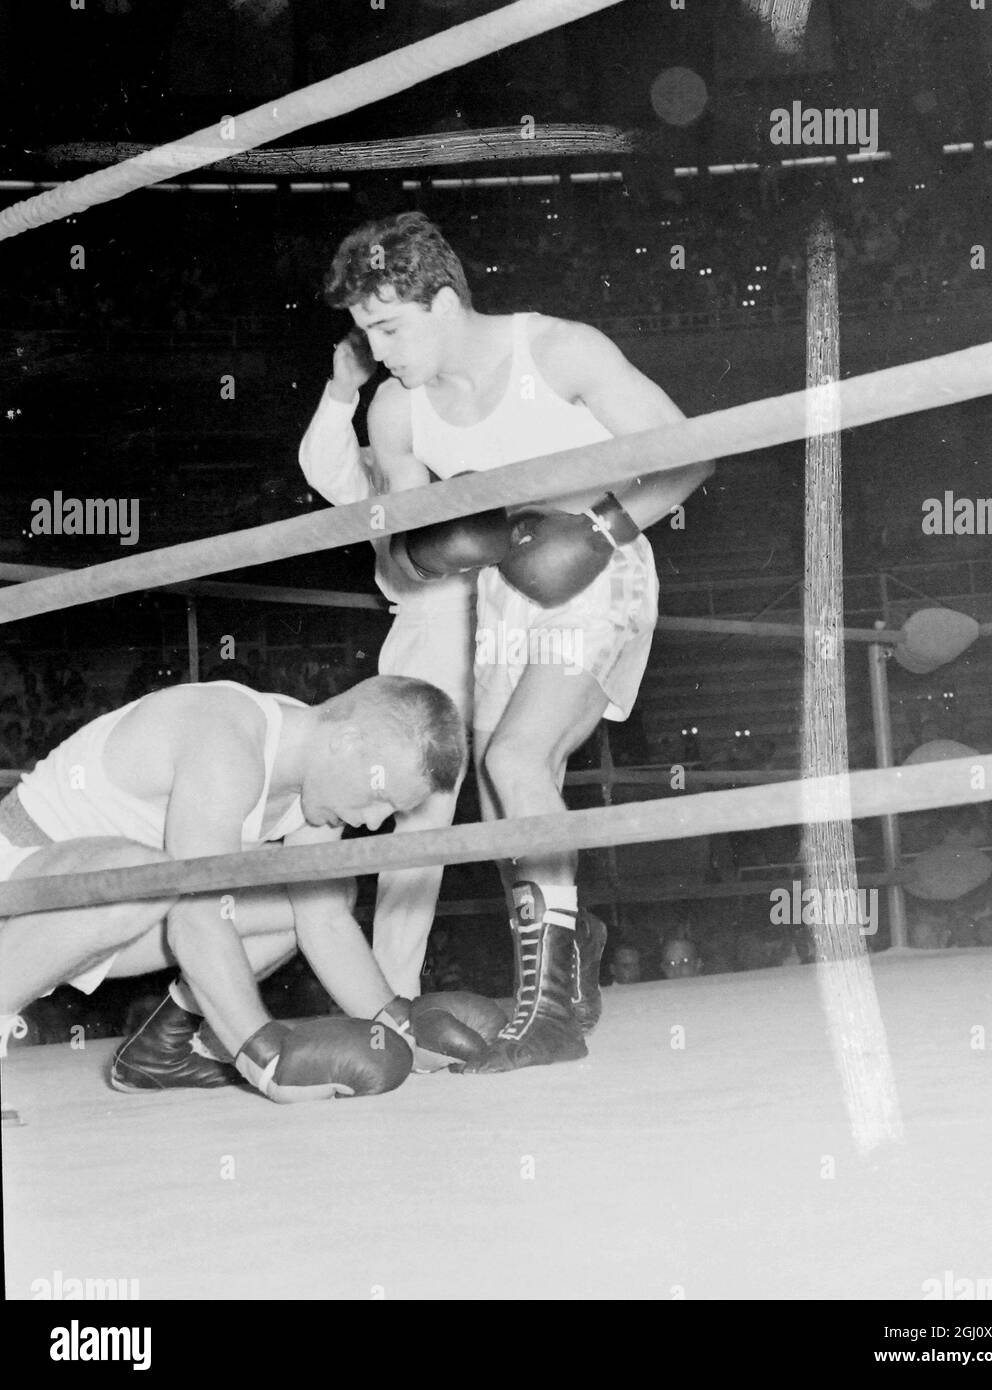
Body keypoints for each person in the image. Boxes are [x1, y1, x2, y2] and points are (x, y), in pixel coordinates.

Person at [323, 211, 714, 1071]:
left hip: (603, 567)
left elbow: (692, 452)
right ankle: (568, 969)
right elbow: (402, 558)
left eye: (389, 327)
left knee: (513, 761)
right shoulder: (395, 412)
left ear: (445, 301)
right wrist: (438, 544)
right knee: (508, 791)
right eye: (363, 332)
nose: (378, 349)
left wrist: (603, 527)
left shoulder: (560, 352)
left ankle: (545, 1016)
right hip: (503, 595)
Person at [0, 676, 505, 1101]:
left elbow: (322, 920)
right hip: (19, 891)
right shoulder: (227, 737)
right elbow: (197, 912)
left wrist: (400, 1024)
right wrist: (261, 1052)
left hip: (103, 921)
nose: (372, 822)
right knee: (149, 875)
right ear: (347, 741)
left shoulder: (312, 779)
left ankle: (168, 1047)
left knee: (315, 889)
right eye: (378, 796)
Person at [298, 327, 475, 1001]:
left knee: (523, 787)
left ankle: (561, 955)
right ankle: (389, 992)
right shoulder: (388, 442)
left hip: (516, 629)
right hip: (428, 638)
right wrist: (342, 390)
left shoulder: (490, 433)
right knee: (418, 815)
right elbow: (327, 471)